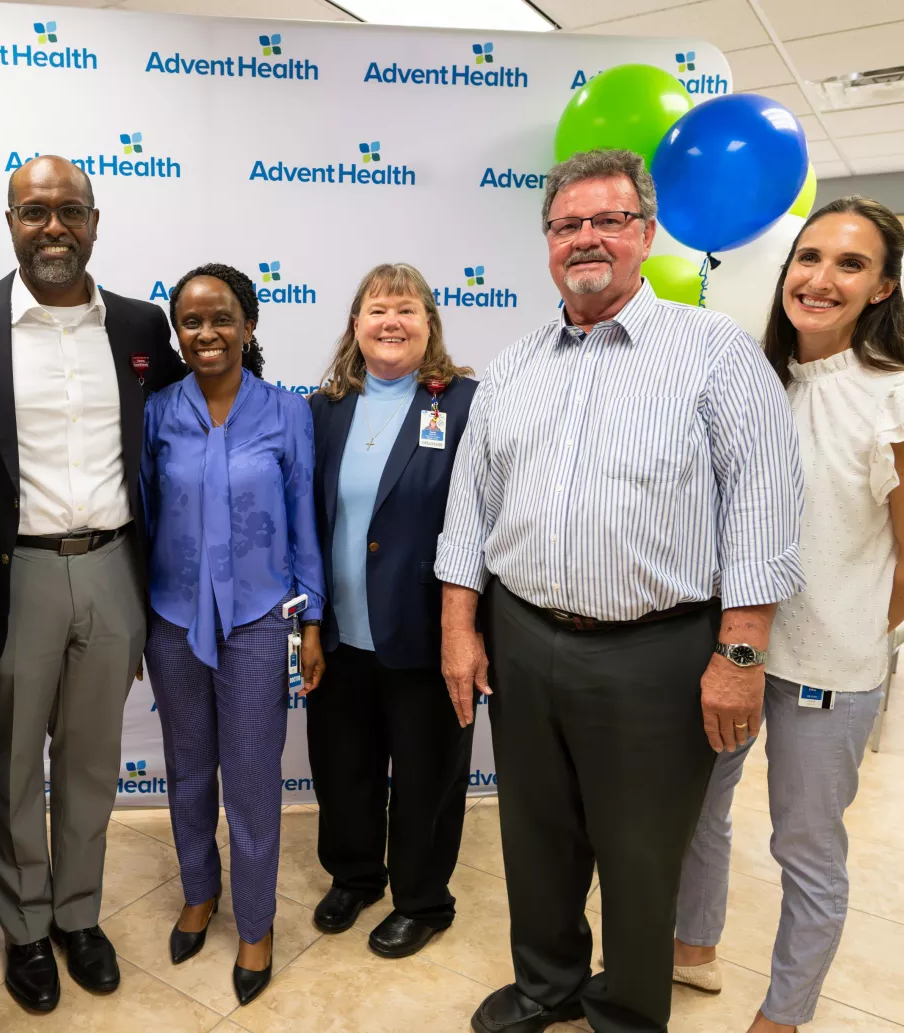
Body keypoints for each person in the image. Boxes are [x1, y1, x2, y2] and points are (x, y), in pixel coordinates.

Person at [437, 148, 806, 1033]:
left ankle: (629, 1012)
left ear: (645, 234)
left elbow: (764, 510)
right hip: (523, 637)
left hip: (659, 653)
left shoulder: (714, 353)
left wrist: (740, 654)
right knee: (536, 839)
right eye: (568, 226)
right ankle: (545, 987)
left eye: (608, 220)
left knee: (641, 858)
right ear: (548, 245)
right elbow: (468, 512)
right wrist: (461, 625)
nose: (587, 239)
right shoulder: (513, 367)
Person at [673, 197, 904, 1033]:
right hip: (734, 652)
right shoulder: (754, 380)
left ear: (883, 287)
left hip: (829, 674)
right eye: (808, 257)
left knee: (805, 850)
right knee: (698, 813)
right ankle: (691, 948)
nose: (820, 278)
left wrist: (842, 632)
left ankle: (785, 1014)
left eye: (851, 264)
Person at [0, 155, 186, 1012]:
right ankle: (26, 925)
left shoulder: (143, 327)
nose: (53, 228)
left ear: (95, 221)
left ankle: (79, 914)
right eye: (34, 212)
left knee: (90, 764)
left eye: (70, 211)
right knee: (10, 767)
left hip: (114, 568)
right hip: (15, 574)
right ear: (8, 221)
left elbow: (194, 421)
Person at [141, 262, 325, 1006]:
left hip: (256, 618)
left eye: (222, 318)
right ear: (177, 333)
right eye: (191, 320)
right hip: (173, 617)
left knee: (251, 779)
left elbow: (303, 516)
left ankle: (256, 922)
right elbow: (146, 516)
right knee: (186, 768)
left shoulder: (288, 412)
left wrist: (311, 617)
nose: (207, 332)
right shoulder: (158, 412)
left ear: (249, 326)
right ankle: (198, 891)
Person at [306, 263, 478, 958]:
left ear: (430, 324)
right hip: (342, 633)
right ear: (355, 325)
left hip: (426, 632)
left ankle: (424, 899)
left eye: (407, 309)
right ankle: (354, 875)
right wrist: (309, 620)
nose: (391, 322)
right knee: (342, 767)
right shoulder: (323, 410)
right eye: (378, 309)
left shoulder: (464, 404)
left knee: (426, 773)